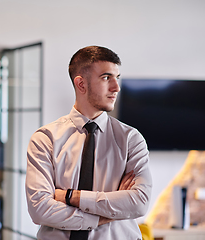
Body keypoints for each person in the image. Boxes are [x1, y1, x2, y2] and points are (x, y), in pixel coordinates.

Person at [25, 46, 152, 239]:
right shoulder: (45, 138)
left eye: (117, 78)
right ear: (81, 84)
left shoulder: (131, 139)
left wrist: (70, 197)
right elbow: (40, 209)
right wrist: (104, 215)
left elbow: (139, 202)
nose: (116, 87)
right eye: (106, 77)